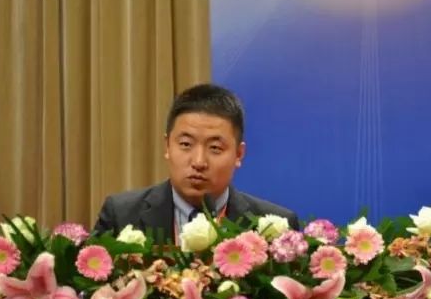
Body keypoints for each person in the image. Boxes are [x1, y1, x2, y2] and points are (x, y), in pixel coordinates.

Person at [94, 83, 299, 242]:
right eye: (186, 144)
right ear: (167, 146)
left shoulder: (275, 226)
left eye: (215, 148)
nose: (199, 162)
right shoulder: (121, 215)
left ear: (239, 154)